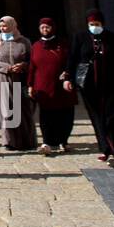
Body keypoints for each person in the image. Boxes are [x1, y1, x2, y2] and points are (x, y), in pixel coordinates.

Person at [67, 9, 114, 167]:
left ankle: (113, 149)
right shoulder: (80, 38)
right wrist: (68, 78)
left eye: (97, 24)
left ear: (103, 24)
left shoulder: (113, 38)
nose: (94, 27)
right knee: (96, 117)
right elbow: (73, 58)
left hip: (112, 84)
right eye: (91, 24)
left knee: (110, 117)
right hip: (89, 85)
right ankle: (105, 148)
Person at [27, 18, 75, 154]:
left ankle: (63, 140)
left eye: (47, 27)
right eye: (42, 27)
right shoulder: (36, 45)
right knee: (46, 115)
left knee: (64, 115)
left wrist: (67, 74)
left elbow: (70, 62)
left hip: (61, 86)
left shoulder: (63, 44)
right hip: (43, 86)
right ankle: (47, 142)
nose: (45, 30)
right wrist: (30, 85)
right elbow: (32, 67)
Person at [0, 15, 36, 150]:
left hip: (20, 79)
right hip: (3, 79)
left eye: (5, 26)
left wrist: (23, 66)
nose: (3, 29)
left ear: (13, 26)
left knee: (22, 110)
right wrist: (7, 68)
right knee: (6, 110)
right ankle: (9, 141)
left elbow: (32, 60)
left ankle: (26, 141)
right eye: (1, 27)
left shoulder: (24, 42)